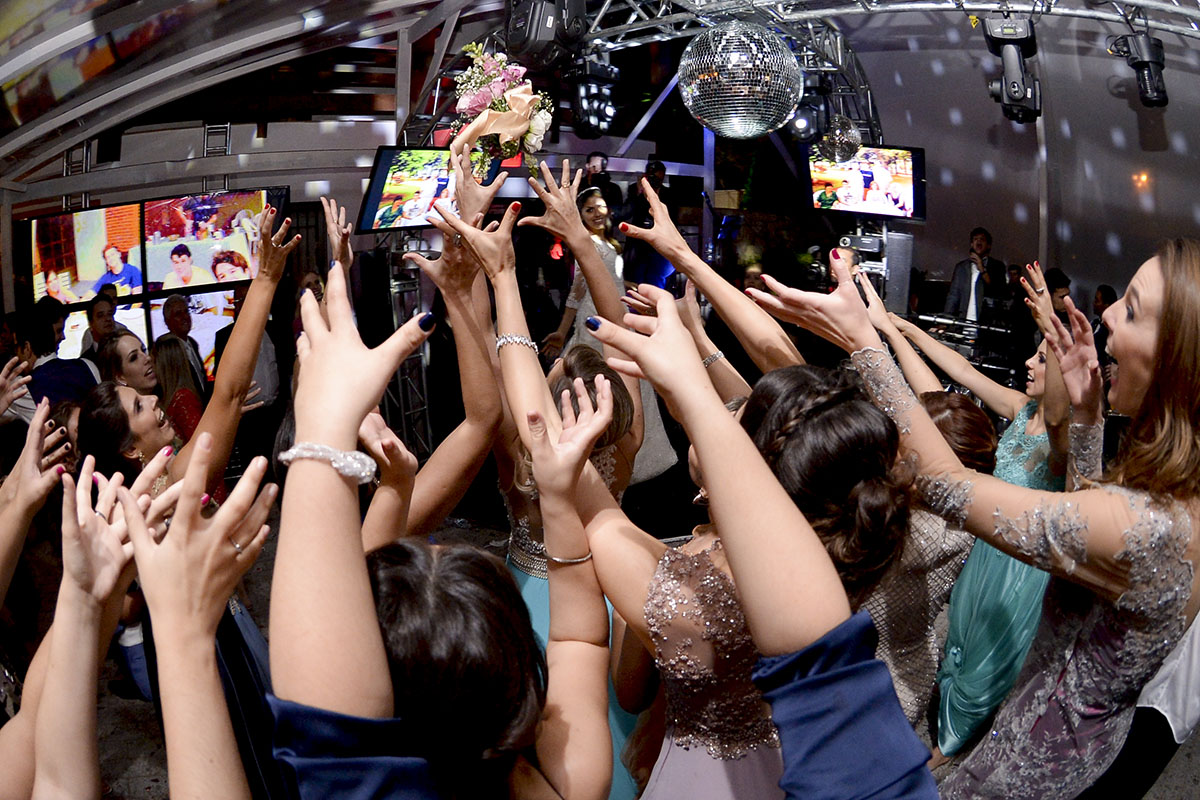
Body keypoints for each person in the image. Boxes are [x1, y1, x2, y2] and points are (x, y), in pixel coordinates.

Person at [747, 237, 1200, 798]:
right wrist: (1086, 417)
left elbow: (946, 484)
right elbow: (1086, 564)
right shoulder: (1177, 501)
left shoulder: (1149, 527)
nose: (1106, 314)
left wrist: (865, 342)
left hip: (1027, 774)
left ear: (1179, 362)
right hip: (1054, 746)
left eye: (1130, 310)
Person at [944, 227, 1006, 322]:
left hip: (986, 322)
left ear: (988, 245)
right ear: (971, 244)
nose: (978, 242)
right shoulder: (961, 267)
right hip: (963, 321)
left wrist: (982, 269)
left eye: (982, 239)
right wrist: (946, 319)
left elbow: (999, 291)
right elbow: (953, 295)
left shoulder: (997, 266)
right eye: (975, 239)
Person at [153, 335, 205, 444]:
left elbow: (199, 442)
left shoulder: (183, 398)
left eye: (154, 361)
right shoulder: (166, 397)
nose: (152, 367)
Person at [160, 294, 208, 395]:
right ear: (167, 321)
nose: (185, 317)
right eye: (178, 314)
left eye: (186, 312)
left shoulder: (192, 343)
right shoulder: (165, 348)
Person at [582, 151, 624, 216]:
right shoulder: (577, 185)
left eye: (601, 166)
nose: (598, 170)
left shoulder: (613, 188)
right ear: (588, 166)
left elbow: (617, 211)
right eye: (595, 166)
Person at [78, 294, 117, 364]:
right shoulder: (85, 363)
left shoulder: (125, 350)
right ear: (90, 323)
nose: (108, 319)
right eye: (100, 315)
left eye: (110, 314)